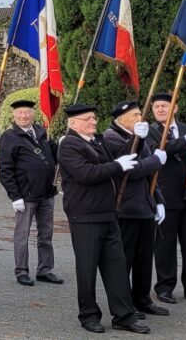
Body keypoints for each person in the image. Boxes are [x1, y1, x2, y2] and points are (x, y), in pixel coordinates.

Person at [58, 103, 148, 334]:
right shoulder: (69, 145)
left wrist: (138, 139)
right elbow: (86, 174)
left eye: (94, 118)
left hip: (107, 214)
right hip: (85, 215)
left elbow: (122, 157)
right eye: (88, 119)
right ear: (74, 123)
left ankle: (124, 316)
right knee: (87, 269)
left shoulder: (97, 141)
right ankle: (88, 315)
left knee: (116, 266)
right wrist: (116, 166)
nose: (93, 122)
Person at [102, 100, 168, 318]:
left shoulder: (141, 136)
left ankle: (142, 299)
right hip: (126, 208)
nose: (140, 119)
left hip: (144, 205)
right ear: (121, 119)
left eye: (140, 114)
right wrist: (156, 160)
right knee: (125, 260)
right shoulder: (111, 137)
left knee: (144, 258)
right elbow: (132, 170)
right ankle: (125, 304)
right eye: (134, 115)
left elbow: (150, 175)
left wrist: (158, 200)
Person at [145, 92, 186, 305]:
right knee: (164, 244)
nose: (161, 110)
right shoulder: (150, 132)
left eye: (165, 106)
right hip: (165, 195)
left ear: (175, 108)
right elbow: (158, 151)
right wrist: (185, 142)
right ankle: (164, 287)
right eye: (157, 107)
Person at [0, 99, 62, 287]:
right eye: (20, 113)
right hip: (25, 195)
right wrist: (14, 196)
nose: (24, 116)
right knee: (22, 235)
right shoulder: (9, 137)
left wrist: (61, 144)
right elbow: (6, 170)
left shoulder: (42, 132)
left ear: (33, 114)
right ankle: (22, 271)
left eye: (27, 113)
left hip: (47, 192)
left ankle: (45, 269)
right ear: (14, 116)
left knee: (46, 233)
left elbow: (52, 156)